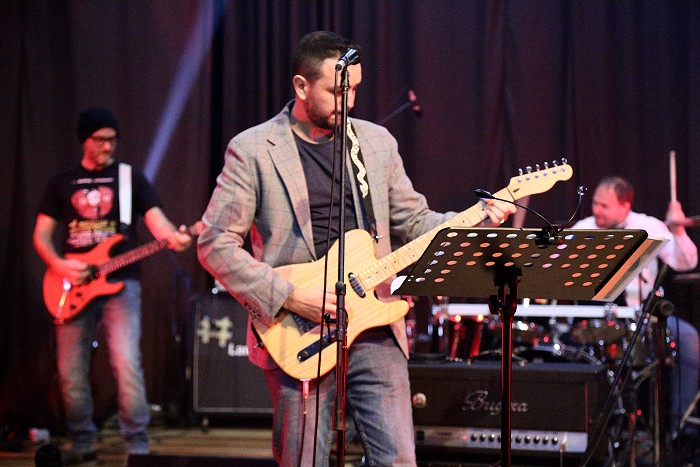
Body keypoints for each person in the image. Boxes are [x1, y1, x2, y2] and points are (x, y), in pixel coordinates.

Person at [197, 31, 515, 466]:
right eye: (336, 90)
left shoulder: (376, 142)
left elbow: (415, 223)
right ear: (301, 86)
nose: (348, 101)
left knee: (398, 460)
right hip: (300, 329)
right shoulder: (253, 149)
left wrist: (479, 216)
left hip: (375, 321)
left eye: (355, 89)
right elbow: (214, 244)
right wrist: (290, 295)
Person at [33, 107, 194, 462]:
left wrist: (174, 237)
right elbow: (41, 235)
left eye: (112, 139)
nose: (107, 146)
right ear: (84, 140)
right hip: (71, 284)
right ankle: (82, 442)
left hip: (121, 283)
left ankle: (137, 444)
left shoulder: (129, 178)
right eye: (100, 140)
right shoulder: (62, 182)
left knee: (127, 363)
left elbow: (157, 222)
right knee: (70, 371)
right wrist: (60, 264)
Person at [572, 176, 699, 441]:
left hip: (643, 318)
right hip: (596, 319)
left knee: (687, 338)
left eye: (604, 205)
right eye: (594, 203)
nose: (596, 210)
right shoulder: (584, 229)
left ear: (625, 205)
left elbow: (685, 263)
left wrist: (678, 231)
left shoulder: (648, 226)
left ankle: (681, 429)